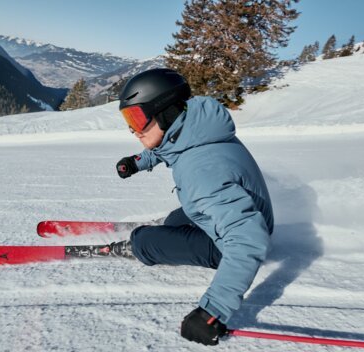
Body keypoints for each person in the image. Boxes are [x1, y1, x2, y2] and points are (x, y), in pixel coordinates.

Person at [115, 68, 274, 346]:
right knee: (175, 219)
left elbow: (248, 241)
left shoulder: (201, 173)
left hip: (231, 244)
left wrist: (211, 312)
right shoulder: (196, 128)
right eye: (129, 119)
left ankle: (138, 245)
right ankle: (169, 229)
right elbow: (168, 147)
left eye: (138, 118)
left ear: (164, 112)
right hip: (243, 213)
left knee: (145, 240)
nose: (133, 130)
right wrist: (137, 162)